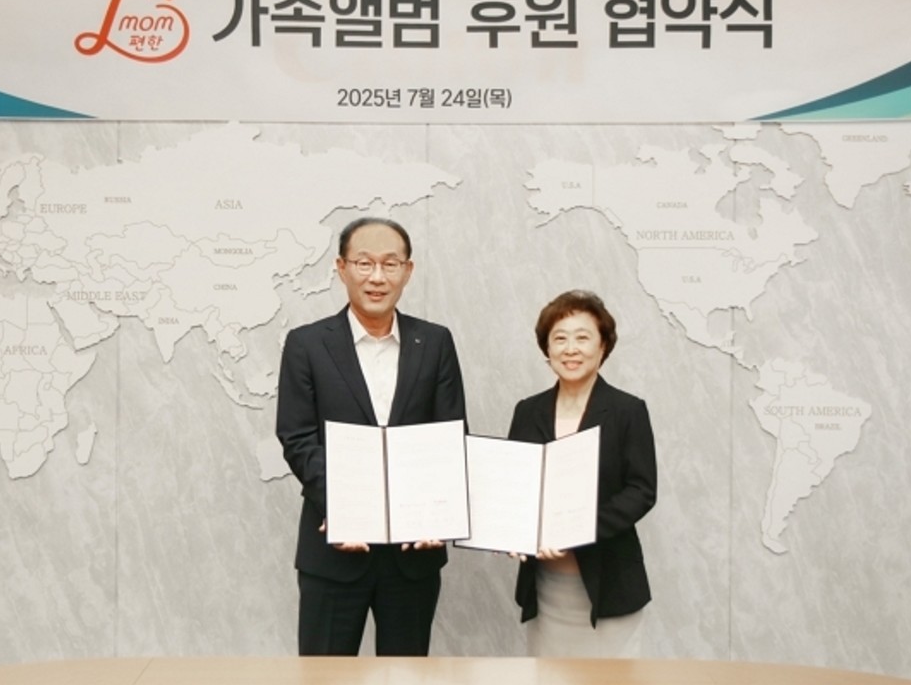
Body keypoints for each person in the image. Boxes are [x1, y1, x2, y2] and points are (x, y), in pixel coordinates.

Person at [276, 216, 467, 656]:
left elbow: (450, 435)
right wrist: (344, 506)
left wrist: (438, 512)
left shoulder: (435, 342)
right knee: (325, 678)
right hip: (334, 548)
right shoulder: (307, 344)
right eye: (364, 263)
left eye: (390, 264)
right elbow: (298, 438)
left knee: (406, 675)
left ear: (408, 271)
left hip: (413, 552)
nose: (377, 277)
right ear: (341, 268)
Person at [508, 290, 657, 657]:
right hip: (545, 588)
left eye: (582, 337)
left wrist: (577, 529)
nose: (570, 349)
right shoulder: (527, 411)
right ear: (547, 349)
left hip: (610, 585)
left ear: (603, 346)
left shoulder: (627, 410)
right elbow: (514, 487)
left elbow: (641, 490)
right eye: (560, 338)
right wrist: (513, 530)